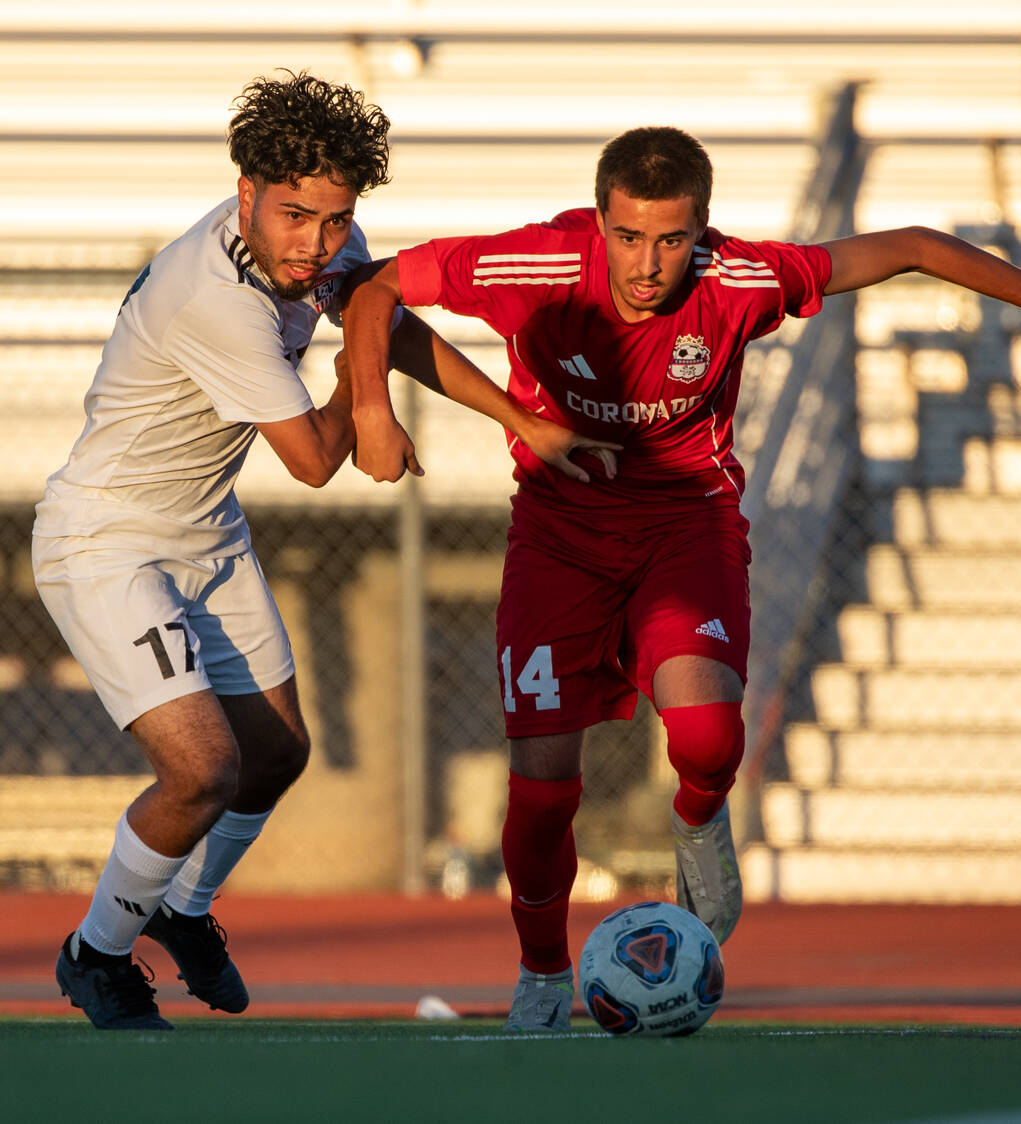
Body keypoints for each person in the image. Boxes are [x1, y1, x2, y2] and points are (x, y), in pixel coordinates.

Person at [340, 126, 1021, 1033]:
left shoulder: (740, 278)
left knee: (704, 739)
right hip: (558, 541)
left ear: (702, 228)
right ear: (599, 219)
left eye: (671, 239)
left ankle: (698, 822)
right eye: (627, 236)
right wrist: (373, 406)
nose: (647, 265)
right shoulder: (534, 264)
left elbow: (914, 248)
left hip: (685, 528)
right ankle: (541, 974)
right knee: (540, 790)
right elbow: (373, 288)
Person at [34, 71, 613, 1032]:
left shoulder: (324, 249)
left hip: (203, 530)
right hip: (107, 541)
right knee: (201, 771)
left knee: (277, 753)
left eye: (336, 220)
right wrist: (361, 386)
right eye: (295, 216)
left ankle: (183, 911)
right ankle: (95, 955)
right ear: (246, 191)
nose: (316, 243)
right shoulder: (213, 296)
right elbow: (313, 460)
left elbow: (390, 324)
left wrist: (520, 419)